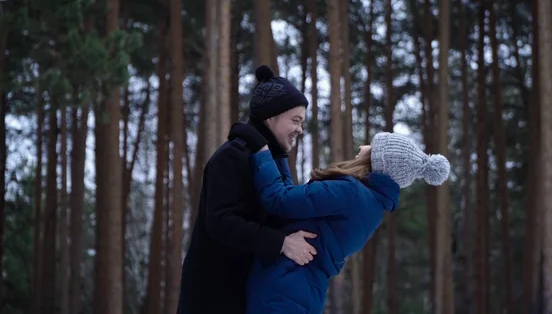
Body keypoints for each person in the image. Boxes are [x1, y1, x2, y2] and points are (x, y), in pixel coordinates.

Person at [239, 131, 451, 314]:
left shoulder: (350, 193)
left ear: (377, 160)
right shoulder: (372, 207)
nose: (362, 146)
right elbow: (291, 205)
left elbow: (279, 200)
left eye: (372, 146)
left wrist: (262, 151)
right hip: (302, 291)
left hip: (282, 289)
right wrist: (279, 155)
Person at [177, 65, 318, 314]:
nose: (300, 130)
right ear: (270, 117)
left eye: (302, 122)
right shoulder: (232, 156)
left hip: (245, 290)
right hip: (214, 294)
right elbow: (220, 221)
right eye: (295, 120)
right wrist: (281, 243)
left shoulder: (270, 161)